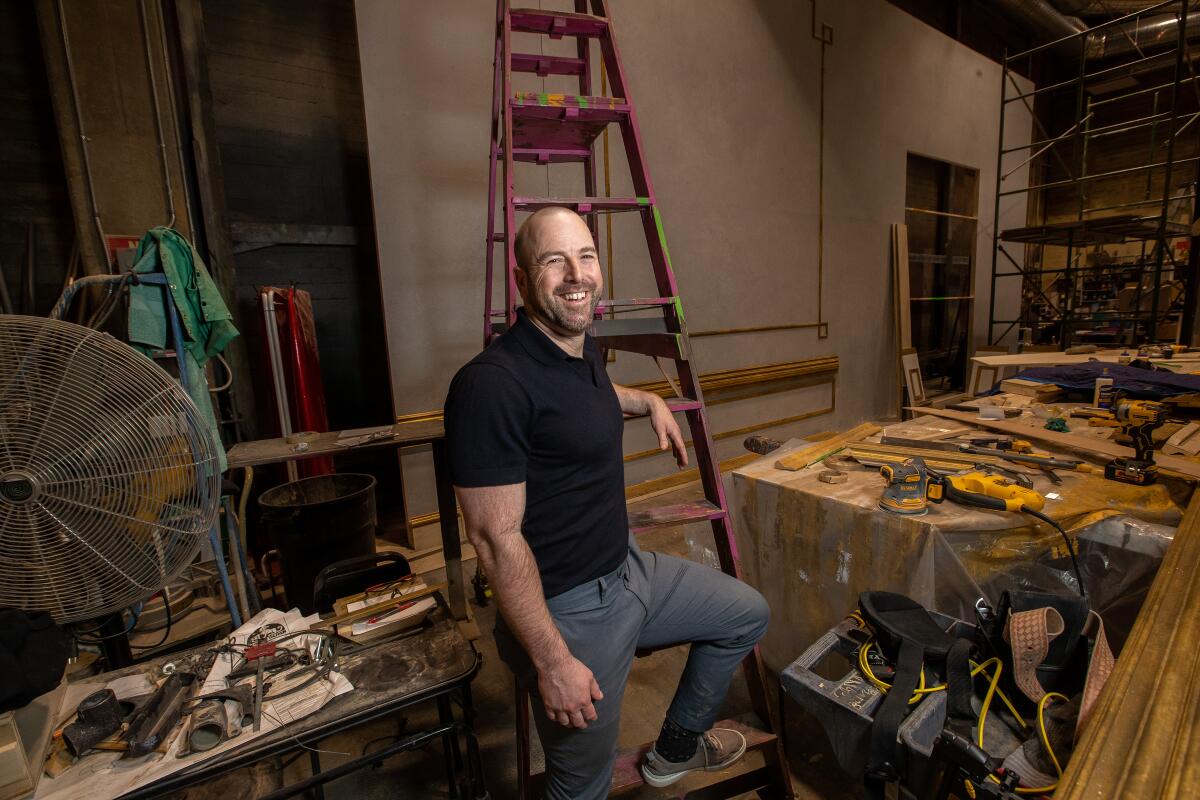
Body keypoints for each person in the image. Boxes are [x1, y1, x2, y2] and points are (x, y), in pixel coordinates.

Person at [444, 207, 769, 798]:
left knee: (745, 614)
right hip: (568, 611)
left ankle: (671, 753)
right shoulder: (491, 386)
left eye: (586, 257)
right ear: (522, 280)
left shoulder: (580, 347)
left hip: (629, 570)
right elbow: (494, 540)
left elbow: (581, 400)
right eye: (554, 261)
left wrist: (645, 399)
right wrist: (553, 663)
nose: (576, 275)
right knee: (581, 788)